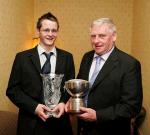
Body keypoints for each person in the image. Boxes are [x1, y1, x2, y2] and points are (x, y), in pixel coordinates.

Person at [66, 18, 143, 135]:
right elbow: (81, 88)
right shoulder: (87, 57)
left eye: (102, 36)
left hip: (111, 130)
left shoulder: (129, 64)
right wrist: (71, 100)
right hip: (83, 129)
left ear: (114, 37)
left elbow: (132, 107)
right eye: (93, 36)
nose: (96, 41)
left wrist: (97, 115)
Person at [6, 12, 75, 135]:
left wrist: (63, 102)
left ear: (57, 32)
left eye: (54, 30)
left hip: (60, 124)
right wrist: (35, 107)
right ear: (38, 31)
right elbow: (12, 90)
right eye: (46, 30)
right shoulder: (22, 58)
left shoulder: (67, 57)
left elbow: (69, 88)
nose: (50, 34)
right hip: (31, 124)